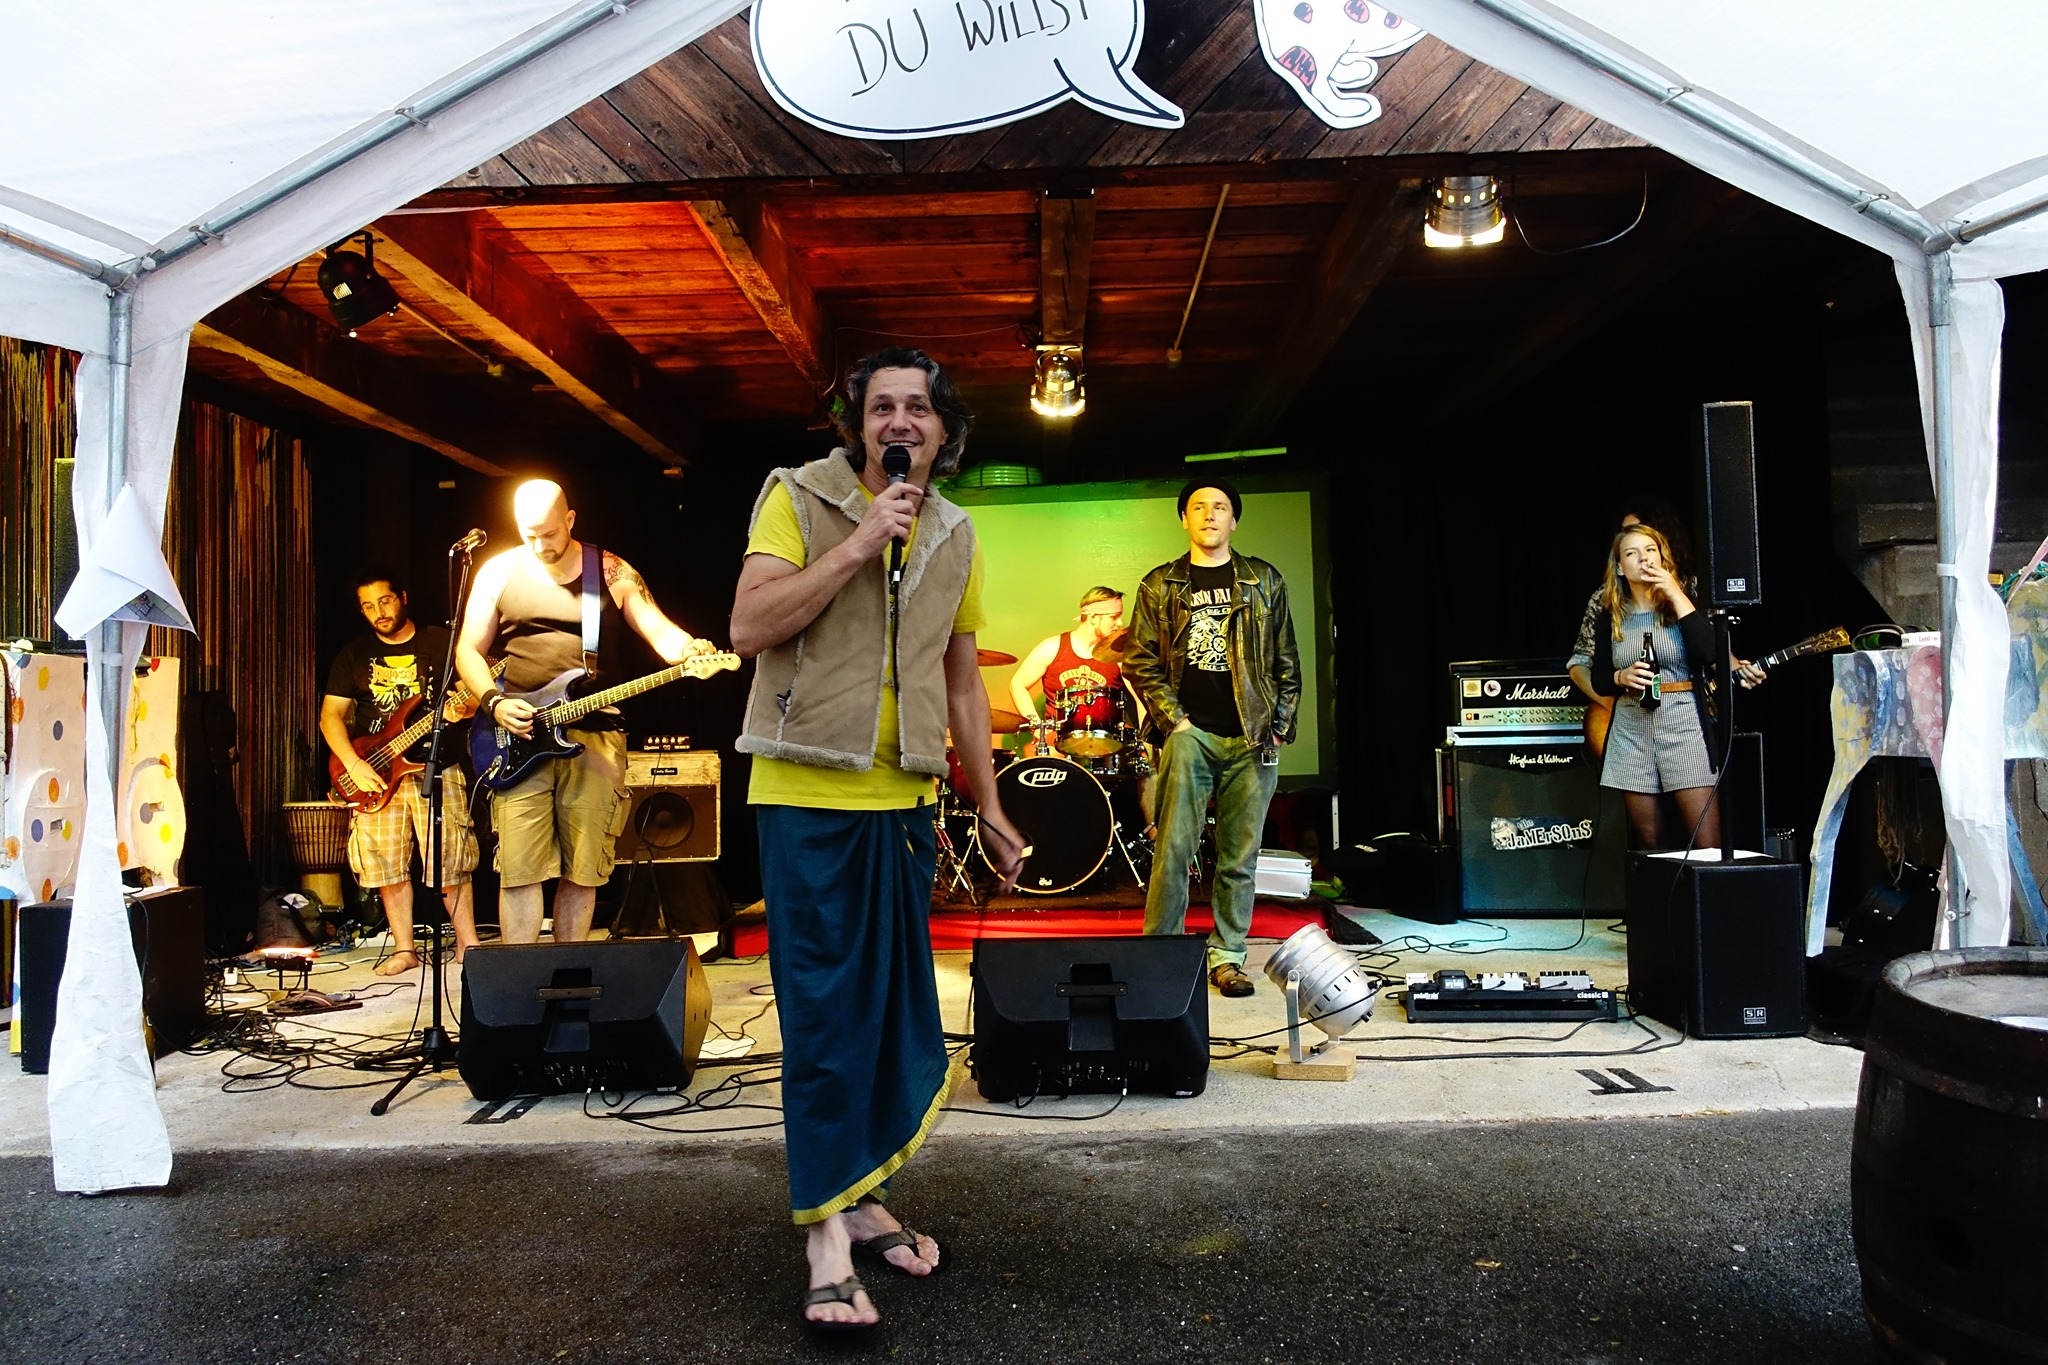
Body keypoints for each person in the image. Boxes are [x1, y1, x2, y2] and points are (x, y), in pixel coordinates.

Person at [730, 346, 1026, 1331]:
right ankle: (824, 1237)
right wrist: (857, 544)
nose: (901, 421)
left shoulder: (955, 532)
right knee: (823, 1020)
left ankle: (860, 1197)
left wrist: (988, 803)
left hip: (903, 801)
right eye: (882, 406)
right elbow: (747, 626)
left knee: (892, 1019)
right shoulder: (796, 496)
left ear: (944, 430)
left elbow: (962, 681)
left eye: (919, 407)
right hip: (805, 790)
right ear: (857, 425)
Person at [454, 479, 712, 945]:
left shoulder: (609, 571)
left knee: (585, 867)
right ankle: (519, 980)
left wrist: (689, 649)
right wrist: (494, 702)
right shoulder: (498, 571)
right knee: (519, 870)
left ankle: (566, 971)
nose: (540, 545)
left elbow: (658, 630)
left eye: (550, 533)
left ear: (570, 519)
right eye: (529, 535)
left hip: (596, 734)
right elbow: (468, 649)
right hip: (518, 736)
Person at [1125, 479, 1300, 999]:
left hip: (1253, 736)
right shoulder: (1160, 584)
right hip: (1190, 736)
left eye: (1220, 507)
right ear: (1184, 518)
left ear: (1233, 520)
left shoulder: (1264, 579)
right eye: (1198, 507)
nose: (1209, 514)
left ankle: (1227, 958)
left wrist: (1280, 724)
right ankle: (1160, 956)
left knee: (1239, 857)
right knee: (1173, 851)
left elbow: (1286, 660)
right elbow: (1138, 658)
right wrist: (1175, 722)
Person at [319, 568, 480, 972]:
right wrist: (354, 764)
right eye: (368, 606)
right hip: (375, 773)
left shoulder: (442, 643)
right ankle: (404, 950)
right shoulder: (353, 653)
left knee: (450, 858)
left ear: (403, 597)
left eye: (385, 601)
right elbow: (330, 717)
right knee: (386, 863)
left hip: (436, 765)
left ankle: (469, 947)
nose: (379, 612)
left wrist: (465, 708)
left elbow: (477, 696)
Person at [1571, 522, 1727, 849]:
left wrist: (1674, 592)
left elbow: (1709, 653)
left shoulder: (1683, 603)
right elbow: (1598, 678)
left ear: (1662, 557)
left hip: (1683, 720)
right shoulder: (1610, 616)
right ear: (1620, 567)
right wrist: (1620, 677)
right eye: (1632, 553)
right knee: (1649, 841)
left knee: (1706, 844)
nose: (1643, 558)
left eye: (1650, 550)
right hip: (1632, 726)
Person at [1006, 586, 1135, 752]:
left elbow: (1141, 698)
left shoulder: (1118, 655)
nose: (1120, 623)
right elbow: (1017, 684)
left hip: (1106, 745)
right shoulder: (1052, 647)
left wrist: (1147, 742)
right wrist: (1036, 725)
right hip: (1058, 743)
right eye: (1114, 617)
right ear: (1093, 617)